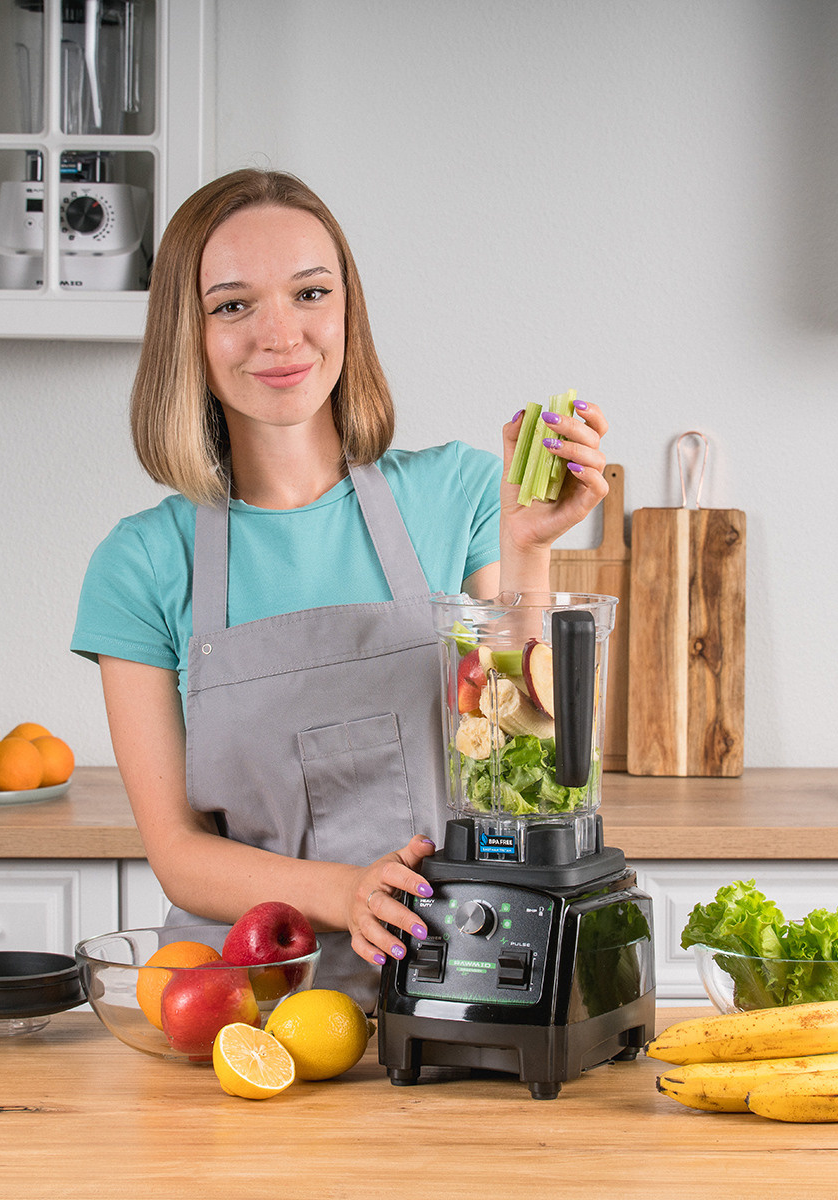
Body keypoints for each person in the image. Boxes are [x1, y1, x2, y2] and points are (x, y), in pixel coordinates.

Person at [71, 169, 609, 1009]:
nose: (281, 334)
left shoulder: (459, 495)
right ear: (189, 333)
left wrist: (530, 549)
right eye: (233, 305)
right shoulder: (141, 562)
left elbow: (521, 767)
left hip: (457, 989)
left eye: (310, 292)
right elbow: (176, 851)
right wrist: (345, 894)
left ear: (347, 311)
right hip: (240, 1007)